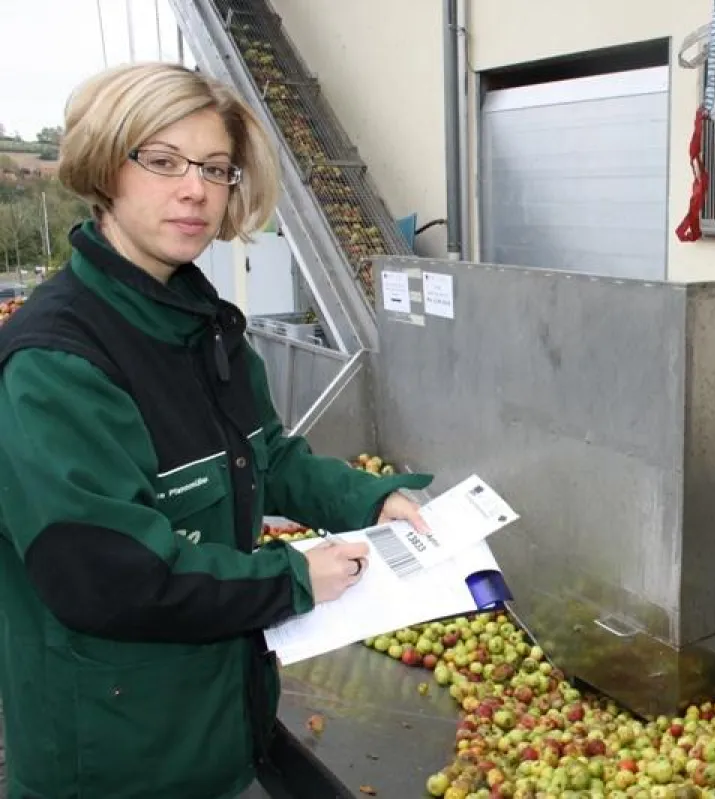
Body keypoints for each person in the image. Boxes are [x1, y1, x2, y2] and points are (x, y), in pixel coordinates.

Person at [0, 62, 434, 798]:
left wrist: (370, 500)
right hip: (114, 753)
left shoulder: (203, 326)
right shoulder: (56, 363)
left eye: (215, 168)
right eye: (163, 162)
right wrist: (293, 576)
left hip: (214, 720)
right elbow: (108, 578)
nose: (195, 189)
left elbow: (266, 454)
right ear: (108, 167)